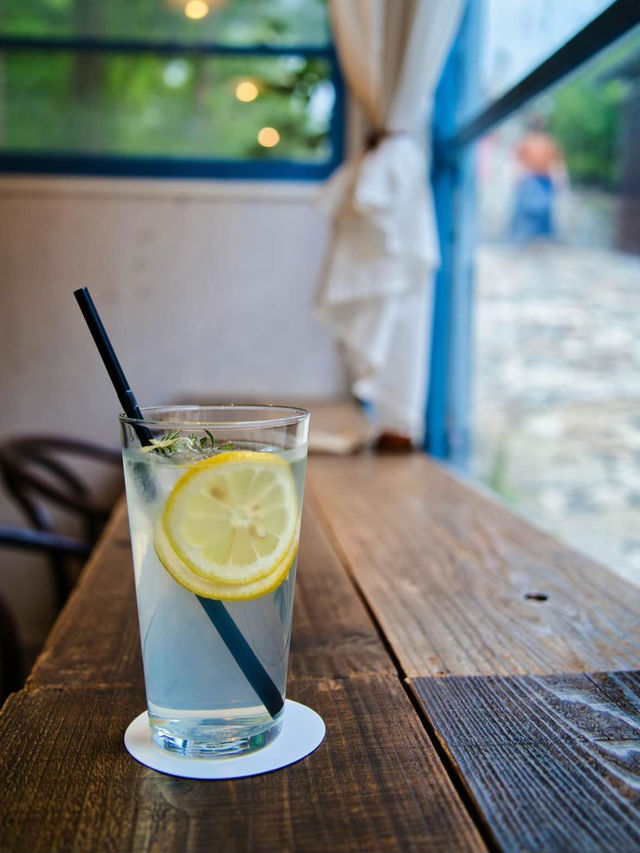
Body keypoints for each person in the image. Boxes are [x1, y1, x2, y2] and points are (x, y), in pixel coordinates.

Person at [510, 116, 565, 244]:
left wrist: (560, 178)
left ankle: (538, 241)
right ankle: (526, 240)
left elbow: (556, 161)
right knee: (528, 211)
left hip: (543, 179)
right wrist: (517, 176)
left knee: (543, 212)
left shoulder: (548, 142)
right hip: (530, 179)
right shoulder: (525, 141)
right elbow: (518, 160)